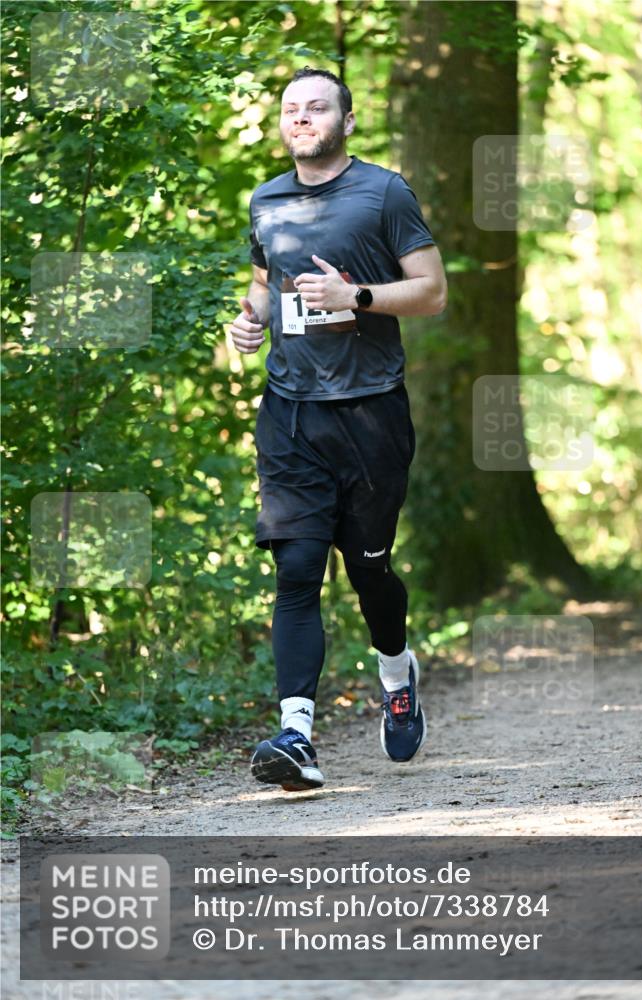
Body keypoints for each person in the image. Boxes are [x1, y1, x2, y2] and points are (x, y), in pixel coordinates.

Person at [228, 66, 447, 792]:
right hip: (290, 410)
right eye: (291, 108)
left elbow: (432, 292)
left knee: (368, 569)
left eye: (317, 107)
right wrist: (250, 321)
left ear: (346, 121)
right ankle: (295, 735)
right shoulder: (266, 200)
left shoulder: (383, 193)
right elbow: (264, 284)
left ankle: (396, 671)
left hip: (370, 410)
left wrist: (356, 295)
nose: (301, 117)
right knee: (295, 568)